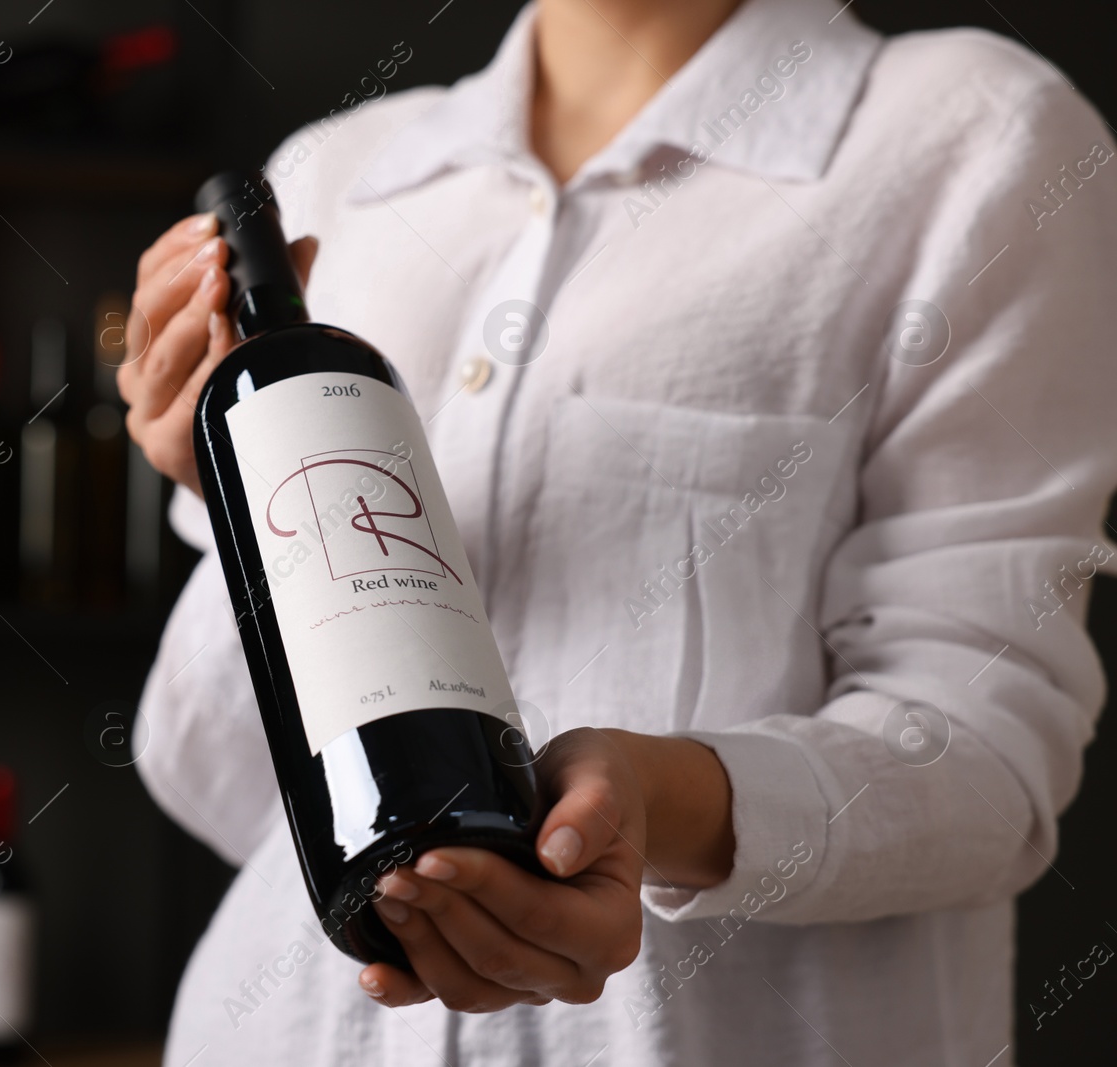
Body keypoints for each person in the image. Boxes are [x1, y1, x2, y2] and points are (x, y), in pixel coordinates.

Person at [118, 0, 1117, 1062]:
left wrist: (663, 802)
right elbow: (226, 789)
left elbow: (989, 764)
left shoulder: (971, 133)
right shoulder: (338, 173)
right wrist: (224, 493)